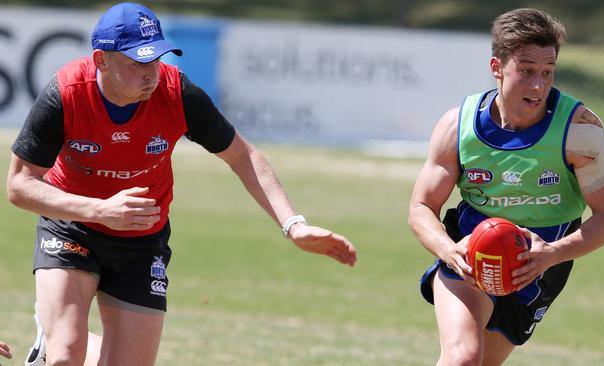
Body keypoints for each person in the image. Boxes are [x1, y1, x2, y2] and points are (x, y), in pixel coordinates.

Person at [6, 3, 356, 366]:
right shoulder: (66, 95)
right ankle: (55, 341)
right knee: (65, 356)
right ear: (101, 60)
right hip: (72, 229)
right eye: (138, 63)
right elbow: (18, 185)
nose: (151, 74)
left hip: (141, 241)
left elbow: (243, 156)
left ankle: (58, 341)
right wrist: (98, 209)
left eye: (156, 60)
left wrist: (293, 225)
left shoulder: (178, 94)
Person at [409, 8, 604, 366]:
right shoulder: (457, 127)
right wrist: (450, 252)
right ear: (497, 67)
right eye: (526, 71)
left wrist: (552, 254)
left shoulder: (581, 132)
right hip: (471, 251)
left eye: (547, 73)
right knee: (463, 357)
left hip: (540, 263)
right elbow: (421, 207)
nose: (539, 86)